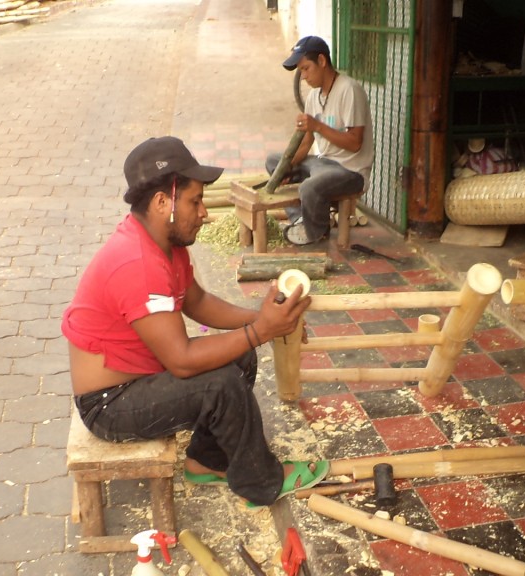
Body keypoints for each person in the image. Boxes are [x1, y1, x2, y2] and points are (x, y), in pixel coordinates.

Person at [62, 136, 328, 507]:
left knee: (240, 356)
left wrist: (265, 320)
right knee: (220, 385)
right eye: (195, 201)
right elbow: (182, 361)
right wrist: (261, 330)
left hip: (139, 379)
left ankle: (206, 460)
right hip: (109, 404)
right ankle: (262, 482)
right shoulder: (138, 263)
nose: (204, 212)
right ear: (161, 203)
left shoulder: (164, 245)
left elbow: (198, 301)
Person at [267, 35, 375, 246]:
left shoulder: (349, 90)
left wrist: (318, 126)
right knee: (273, 161)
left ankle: (315, 234)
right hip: (322, 164)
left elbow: (355, 143)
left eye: (306, 68)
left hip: (350, 171)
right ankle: (299, 218)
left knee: (310, 187)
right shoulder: (313, 98)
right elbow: (306, 144)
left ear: (322, 61)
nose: (304, 76)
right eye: (301, 71)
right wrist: (286, 168)